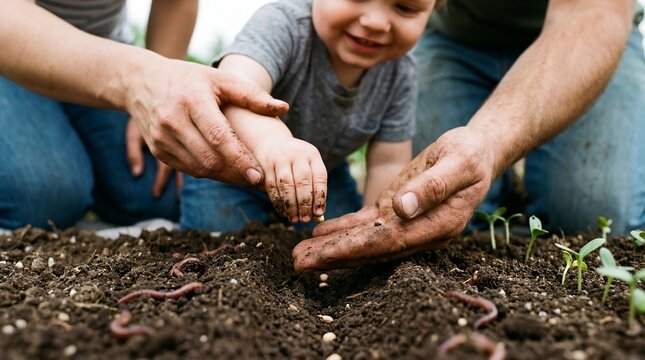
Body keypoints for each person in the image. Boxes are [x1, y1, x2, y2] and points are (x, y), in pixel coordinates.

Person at [292, 0, 645, 271]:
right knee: (432, 207)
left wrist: (490, 146)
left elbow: (594, 11)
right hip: (456, 39)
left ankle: (513, 183)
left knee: (592, 215)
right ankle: (504, 192)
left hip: (586, 33)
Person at [0, 0, 288, 230]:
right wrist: (137, 81)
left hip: (101, 50)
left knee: (154, 195)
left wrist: (156, 89)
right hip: (10, 57)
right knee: (41, 195)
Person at [180, 0, 437, 232]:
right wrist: (275, 143)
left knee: (340, 240)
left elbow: (388, 163)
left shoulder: (399, 74)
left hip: (323, 181)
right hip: (231, 174)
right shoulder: (283, 25)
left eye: (405, 8)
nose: (375, 22)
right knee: (220, 240)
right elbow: (232, 89)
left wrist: (379, 223)